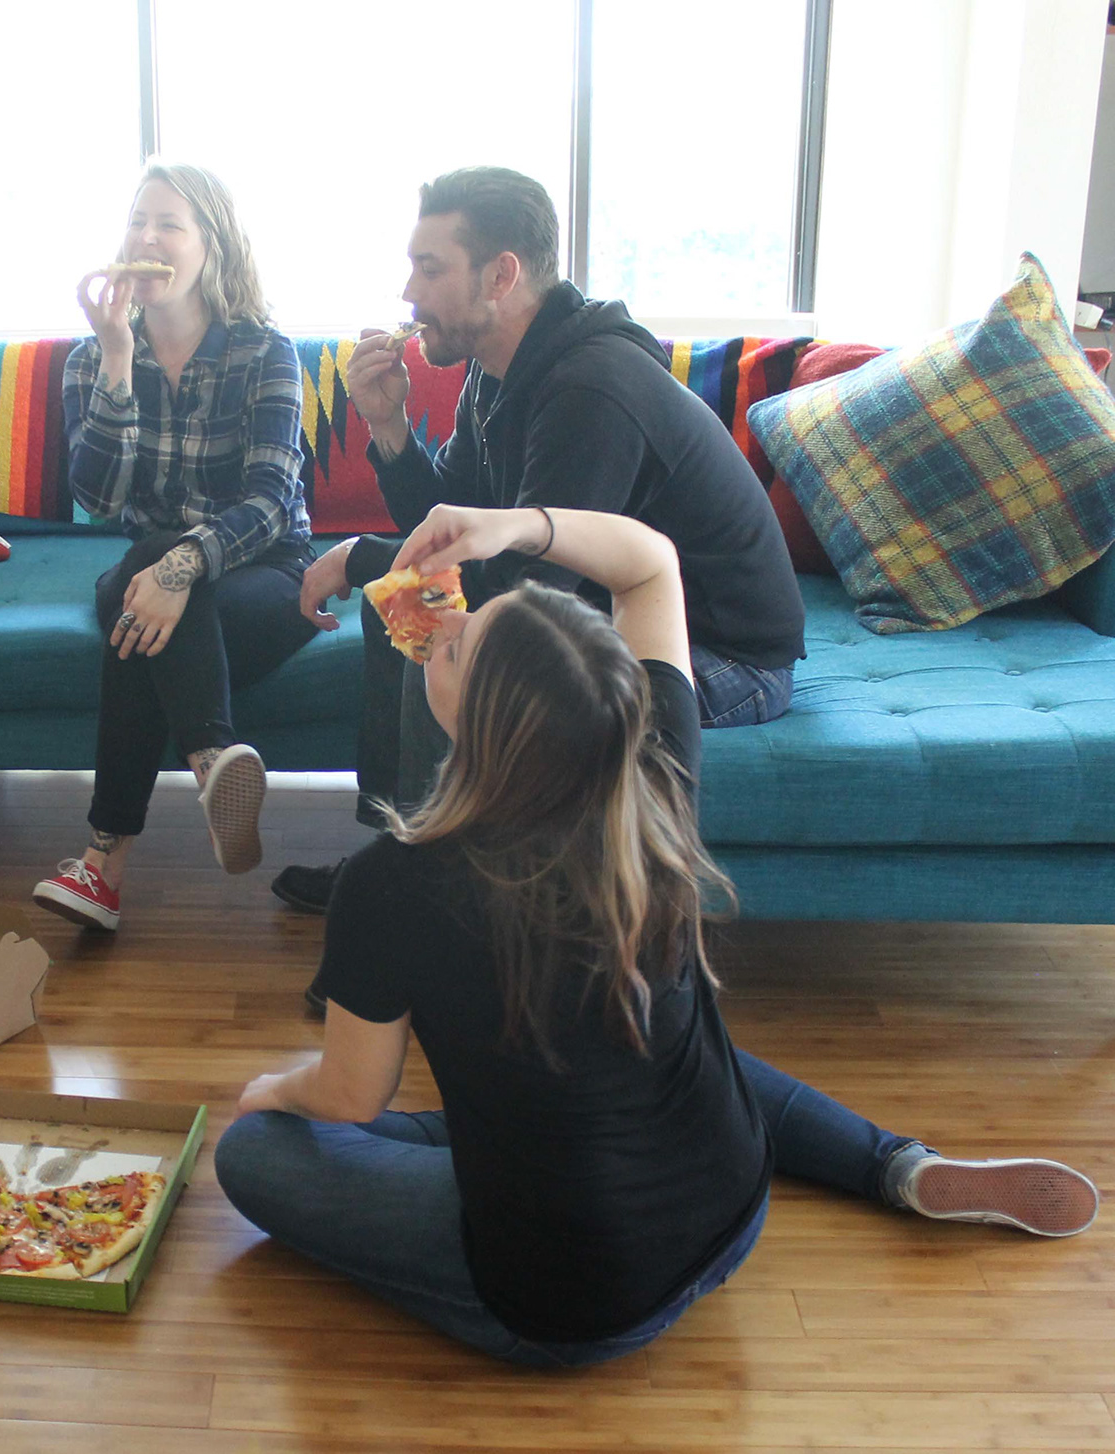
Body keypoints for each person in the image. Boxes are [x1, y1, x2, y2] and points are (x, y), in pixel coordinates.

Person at [218, 503, 1098, 1364]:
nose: (443, 627)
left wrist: (277, 1087)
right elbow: (649, 564)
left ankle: (518, 1168)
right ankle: (895, 1166)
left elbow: (350, 1096)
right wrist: (516, 526)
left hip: (577, 1300)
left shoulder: (393, 881)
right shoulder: (653, 764)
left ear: (483, 728)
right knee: (663, 1037)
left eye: (454, 645)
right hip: (732, 1209)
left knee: (256, 1150)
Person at [274, 166, 807, 916]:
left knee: (452, 640)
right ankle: (397, 857)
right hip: (593, 606)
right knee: (404, 612)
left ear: (501, 276)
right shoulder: (496, 371)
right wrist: (388, 426)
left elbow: (523, 594)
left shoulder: (589, 389)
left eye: (430, 269)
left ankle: (433, 897)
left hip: (723, 654)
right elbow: (448, 524)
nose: (407, 293)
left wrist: (361, 557)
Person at [31, 162, 314, 933]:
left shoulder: (266, 352)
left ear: (211, 245)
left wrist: (181, 566)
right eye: (137, 222)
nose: (146, 239)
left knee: (141, 601)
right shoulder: (91, 357)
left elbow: (270, 502)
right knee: (145, 572)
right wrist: (118, 359)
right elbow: (98, 500)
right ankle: (213, 762)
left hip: (267, 573)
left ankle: (103, 866)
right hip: (148, 572)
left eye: (168, 224)